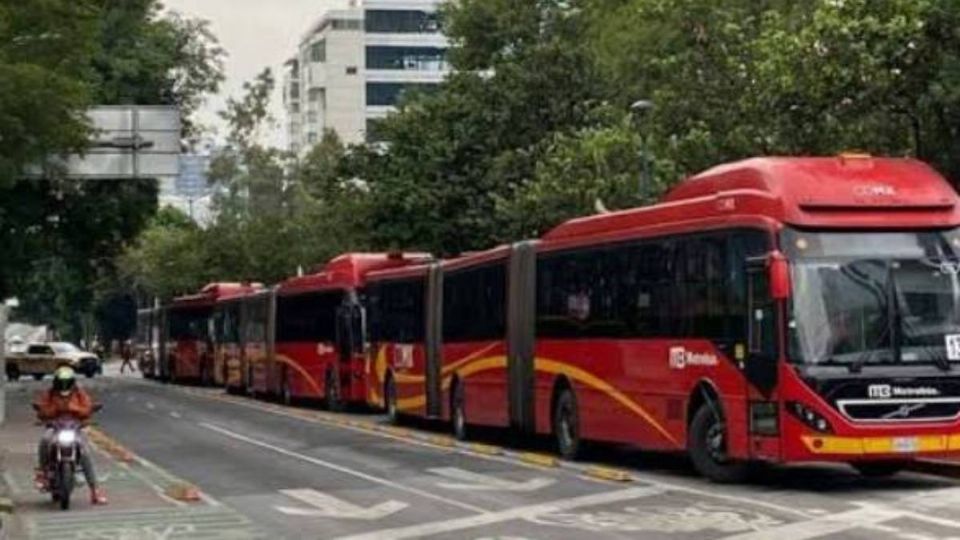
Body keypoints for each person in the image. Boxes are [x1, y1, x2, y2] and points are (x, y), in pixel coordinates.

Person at [33, 367, 108, 505]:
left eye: (66, 382)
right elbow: (42, 411)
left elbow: (87, 409)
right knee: (45, 440)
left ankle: (95, 491)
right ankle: (43, 473)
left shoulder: (79, 394)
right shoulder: (50, 394)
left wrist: (74, 409)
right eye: (61, 382)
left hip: (74, 429)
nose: (64, 385)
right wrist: (54, 410)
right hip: (55, 429)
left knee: (85, 453)